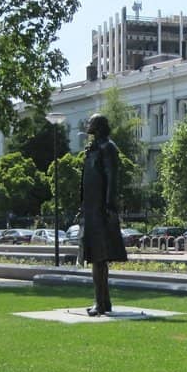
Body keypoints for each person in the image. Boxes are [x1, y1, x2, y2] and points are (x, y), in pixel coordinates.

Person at [79, 114, 127, 316]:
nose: (87, 125)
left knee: (100, 258)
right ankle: (103, 301)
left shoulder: (108, 148)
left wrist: (109, 205)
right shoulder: (92, 150)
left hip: (100, 209)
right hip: (90, 209)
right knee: (94, 258)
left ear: (98, 127)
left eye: (90, 122)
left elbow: (112, 178)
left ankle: (101, 303)